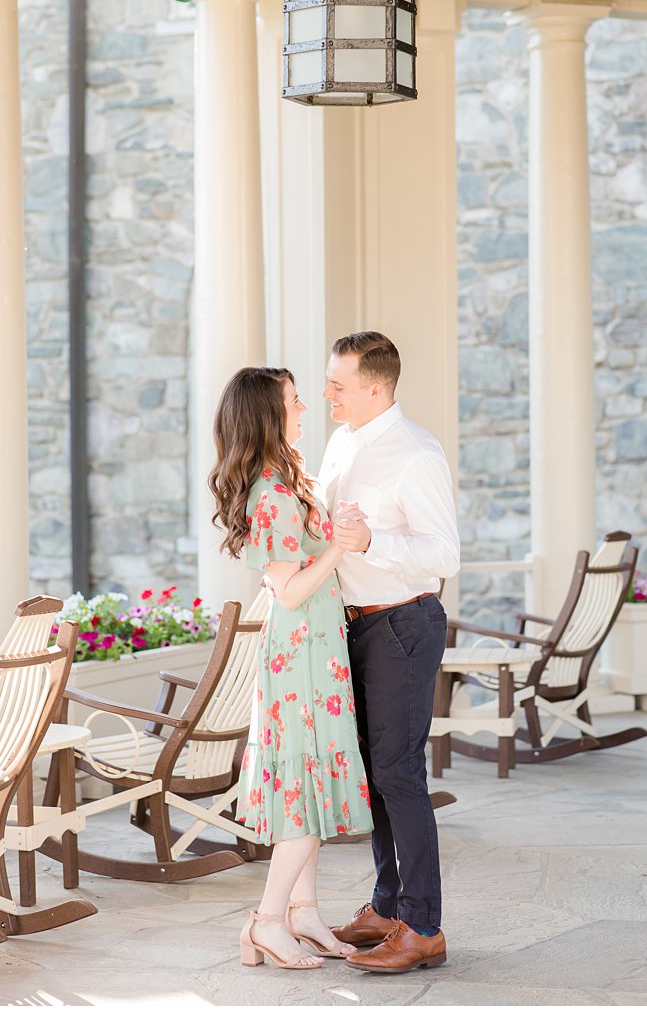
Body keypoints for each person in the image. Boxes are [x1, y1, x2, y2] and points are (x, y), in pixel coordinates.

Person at [209, 367, 374, 970]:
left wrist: (338, 531)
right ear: (268, 417)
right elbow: (290, 591)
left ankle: (303, 913)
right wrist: (339, 547)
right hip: (301, 653)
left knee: (315, 784)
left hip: (316, 651)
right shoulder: (271, 494)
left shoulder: (286, 482)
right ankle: (267, 920)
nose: (305, 408)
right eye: (294, 401)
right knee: (305, 793)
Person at [318, 331, 459, 973]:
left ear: (376, 387)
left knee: (399, 774)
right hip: (352, 626)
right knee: (374, 774)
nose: (328, 394)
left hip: (404, 623)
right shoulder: (341, 443)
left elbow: (445, 557)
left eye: (338, 384)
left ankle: (424, 925)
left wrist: (374, 542)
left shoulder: (417, 453)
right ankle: (385, 905)